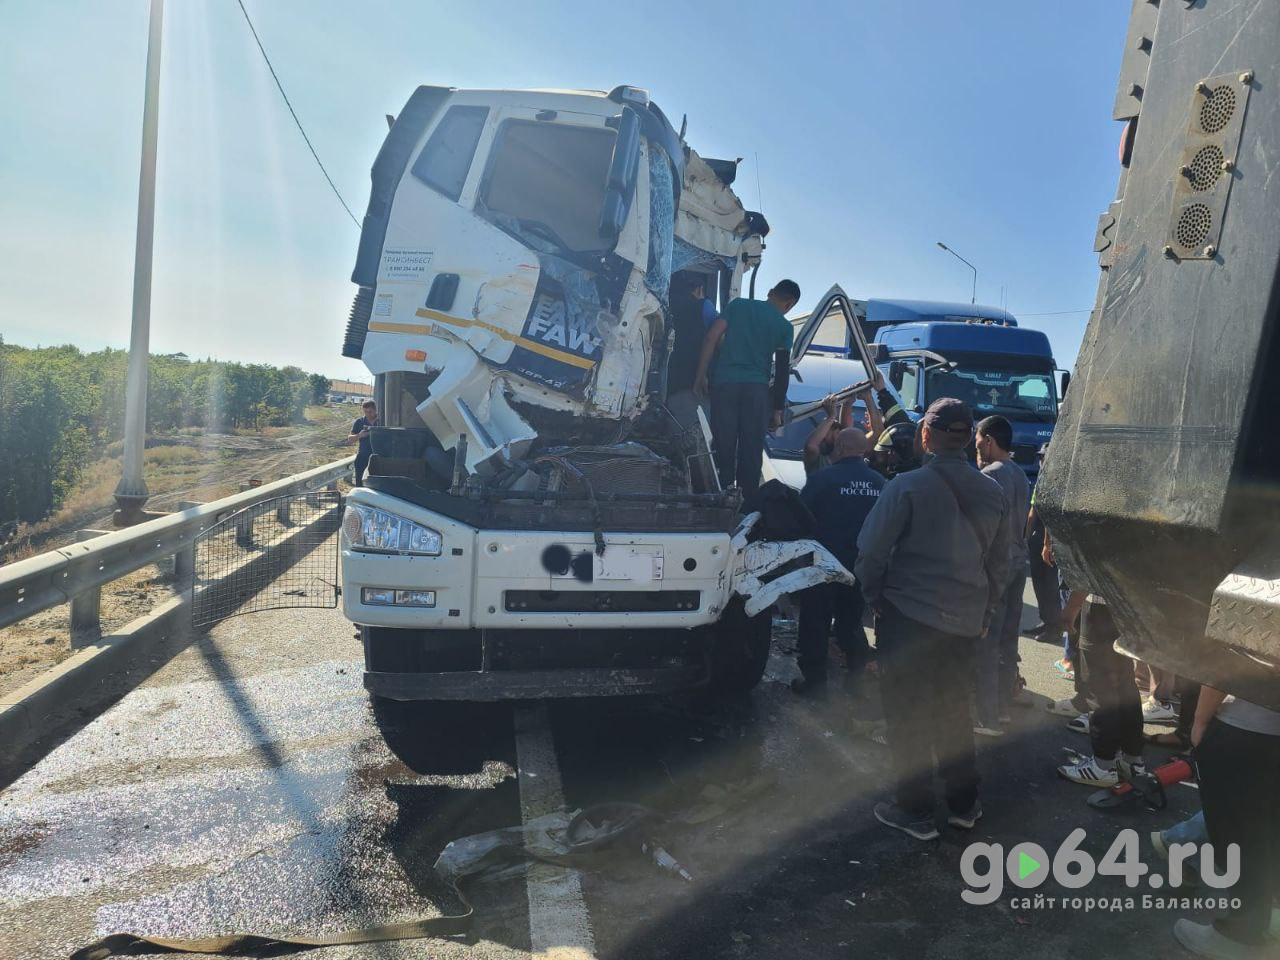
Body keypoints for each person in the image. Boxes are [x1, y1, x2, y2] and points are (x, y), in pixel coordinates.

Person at [855, 398, 1009, 840]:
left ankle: (915, 809)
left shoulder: (906, 487)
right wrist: (986, 611)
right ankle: (964, 805)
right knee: (954, 711)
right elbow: (1002, 562)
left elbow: (870, 552)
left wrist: (873, 597)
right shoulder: (993, 491)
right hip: (962, 622)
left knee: (906, 715)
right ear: (968, 439)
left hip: (908, 617)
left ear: (926, 436)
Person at [1173, 687, 1280, 958]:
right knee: (1270, 832)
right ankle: (1271, 915)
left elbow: (1224, 662)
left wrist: (1200, 721)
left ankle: (1241, 934)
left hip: (1247, 729)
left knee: (1240, 836)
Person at [792, 427, 884, 697]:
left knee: (814, 623)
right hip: (860, 565)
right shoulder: (880, 483)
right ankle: (855, 681)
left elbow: (800, 516)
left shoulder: (822, 479)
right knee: (850, 622)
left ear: (840, 448)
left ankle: (815, 684)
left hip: (822, 563)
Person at [693, 279, 801, 497]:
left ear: (770, 291)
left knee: (723, 445)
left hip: (724, 386)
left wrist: (701, 375)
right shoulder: (784, 327)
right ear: (789, 304)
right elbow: (781, 372)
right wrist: (777, 410)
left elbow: (711, 337)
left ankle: (717, 497)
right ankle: (745, 508)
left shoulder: (738, 306)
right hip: (756, 392)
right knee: (751, 452)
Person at [973, 415, 1030, 736]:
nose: (976, 445)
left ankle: (987, 717)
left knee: (986, 641)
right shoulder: (1020, 474)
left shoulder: (990, 475)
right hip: (1018, 564)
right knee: (1008, 639)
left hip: (997, 567)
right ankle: (1002, 711)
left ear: (990, 441)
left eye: (979, 440)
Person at [1056, 590, 1145, 785]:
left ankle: (1103, 765)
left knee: (1100, 687)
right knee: (1124, 682)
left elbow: (1089, 566)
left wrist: (1073, 605)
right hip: (1129, 604)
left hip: (1101, 606)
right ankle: (1132, 760)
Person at [664, 275, 719, 429]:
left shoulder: (663, 305)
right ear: (700, 289)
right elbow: (719, 336)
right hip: (694, 384)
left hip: (668, 381)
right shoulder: (704, 306)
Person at [1023, 445, 1065, 640]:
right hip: (1037, 538)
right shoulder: (1042, 479)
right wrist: (1024, 537)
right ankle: (1045, 620)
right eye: (1040, 457)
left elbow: (1051, 513)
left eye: (1044, 458)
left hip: (1049, 541)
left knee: (1050, 585)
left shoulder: (1057, 481)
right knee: (1040, 584)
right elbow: (1033, 511)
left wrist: (1047, 544)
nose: (1042, 461)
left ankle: (1054, 627)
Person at [345, 399, 378, 486]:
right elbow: (350, 439)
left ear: (375, 410)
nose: (368, 414)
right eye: (365, 412)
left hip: (379, 458)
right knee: (360, 484)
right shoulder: (359, 422)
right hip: (362, 457)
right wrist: (359, 435)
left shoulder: (384, 420)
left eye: (370, 411)